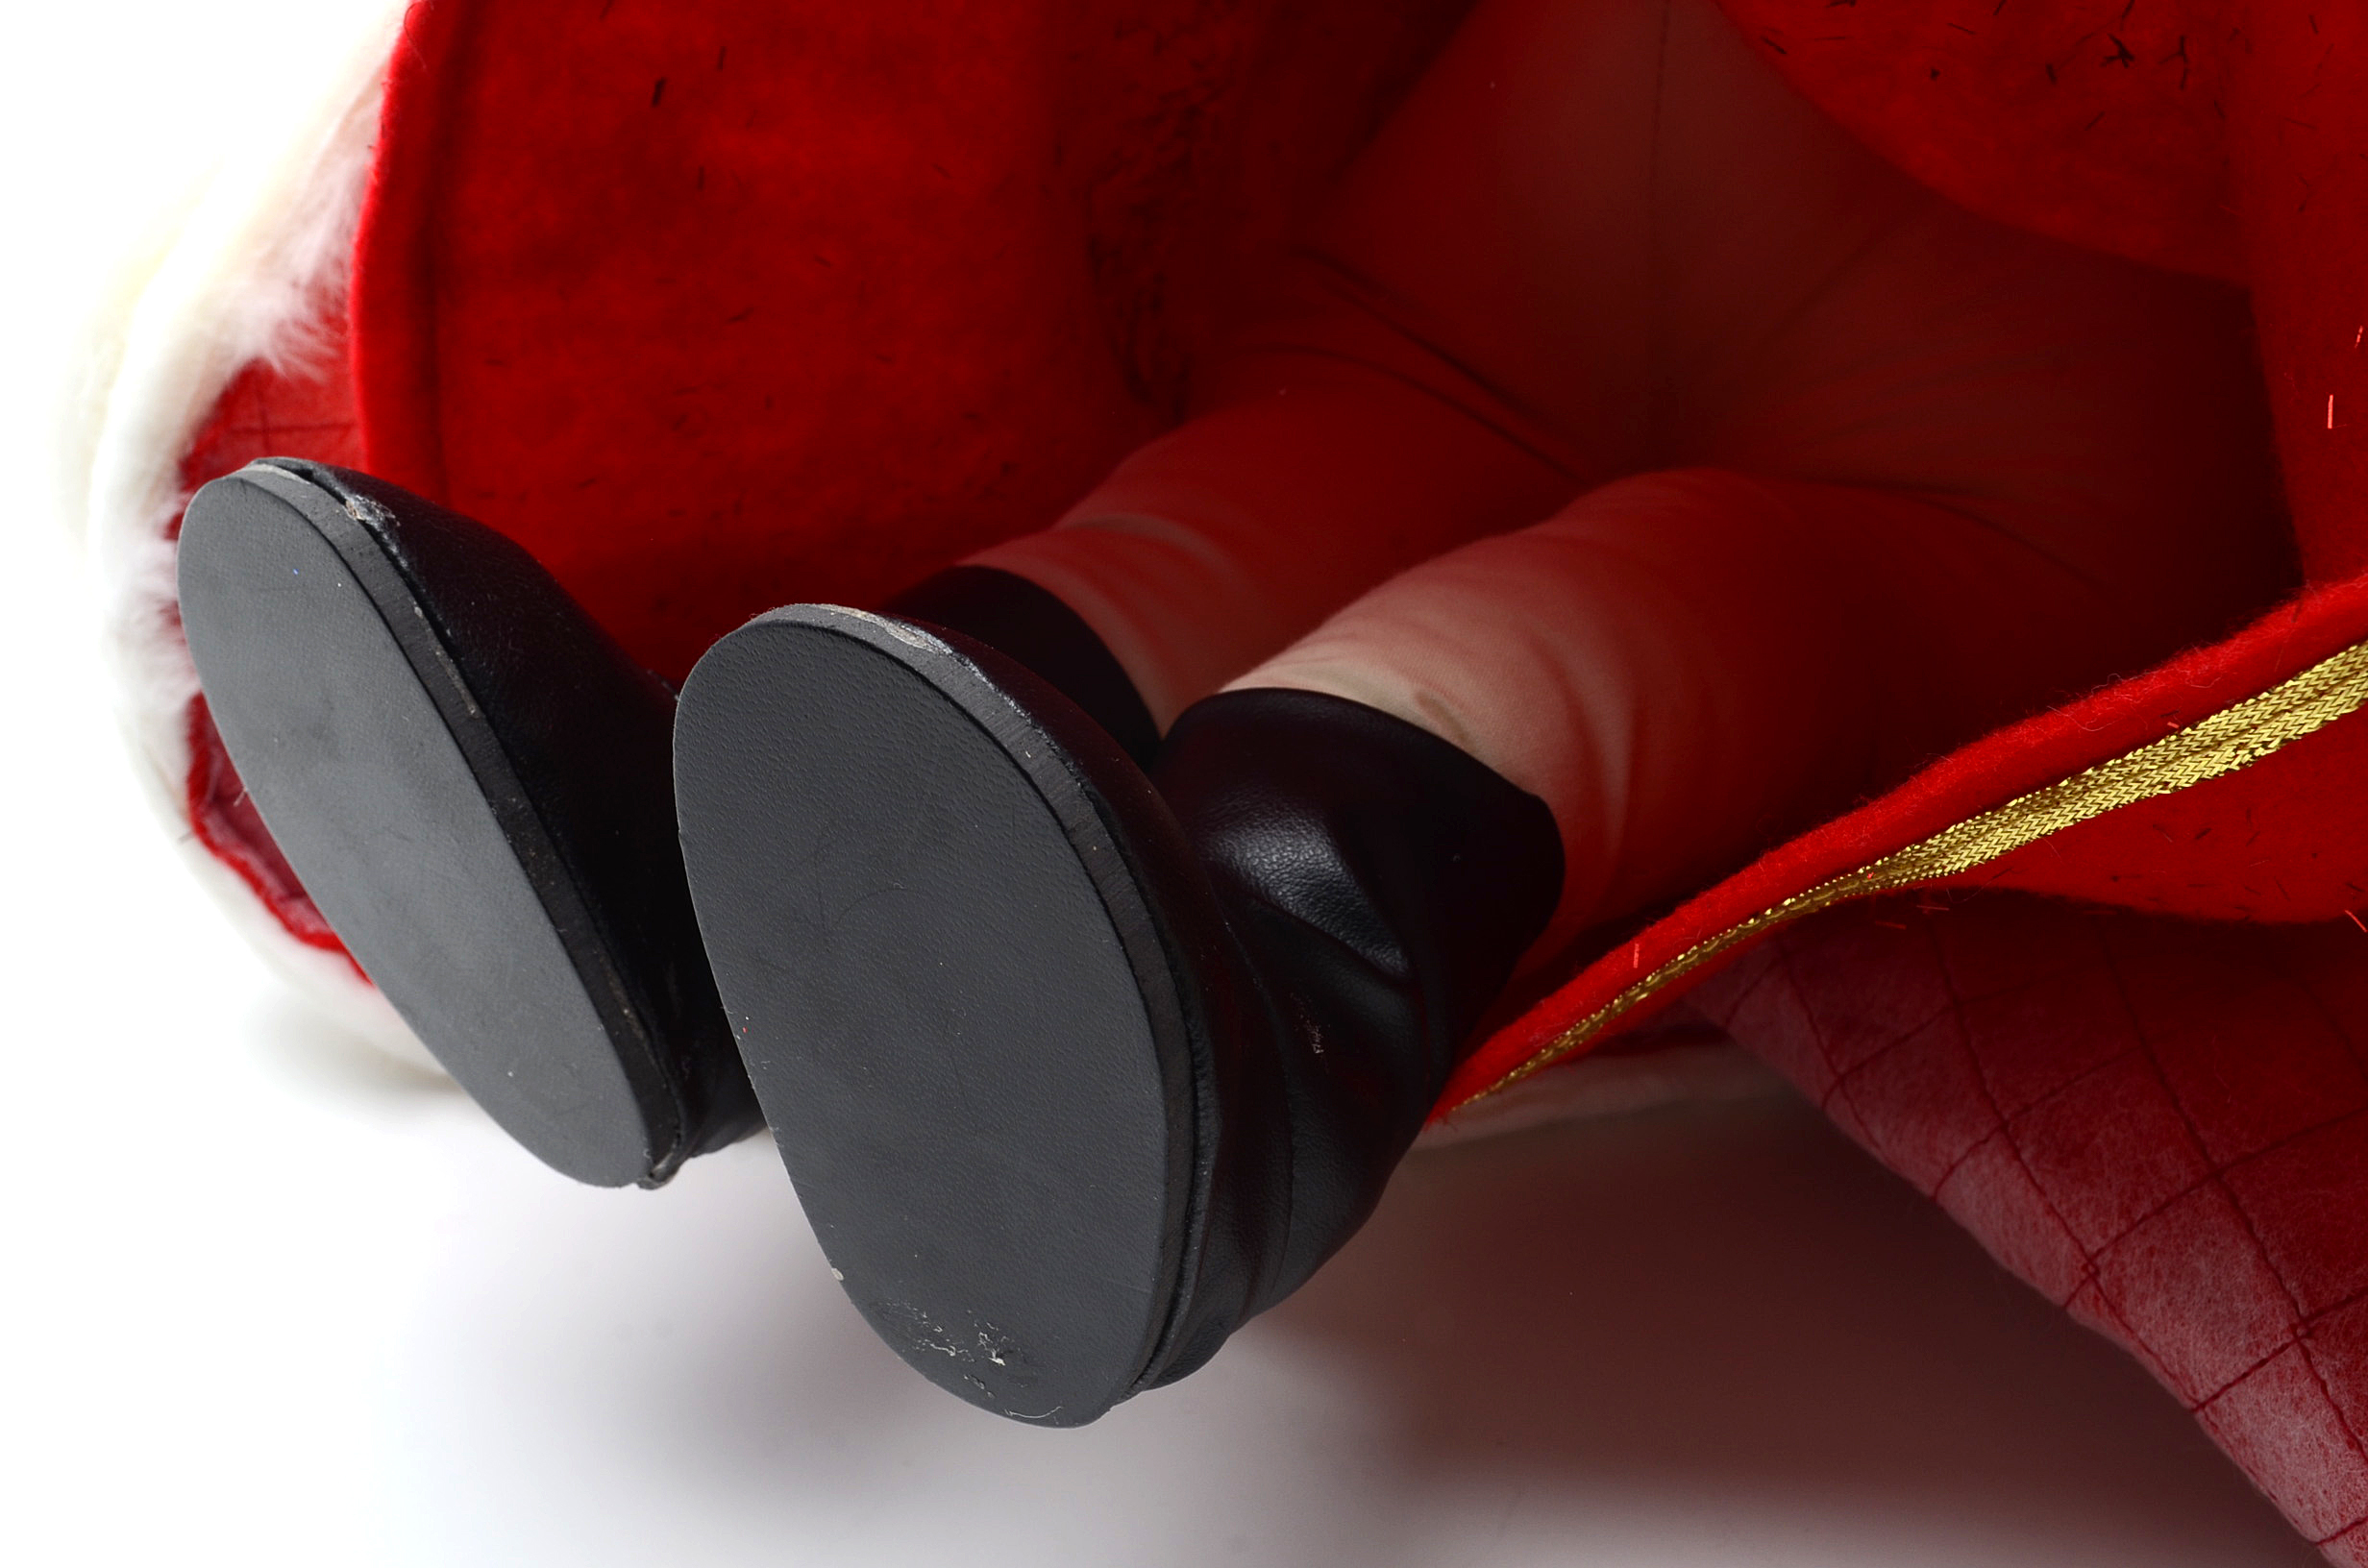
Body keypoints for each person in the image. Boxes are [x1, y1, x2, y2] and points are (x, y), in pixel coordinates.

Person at [177, 0, 2292, 1425]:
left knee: (1511, 512)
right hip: (1941, 275)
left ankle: (1165, 938)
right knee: (1554, 547)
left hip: (1788, 212)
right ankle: (991, 911)